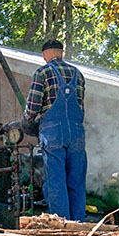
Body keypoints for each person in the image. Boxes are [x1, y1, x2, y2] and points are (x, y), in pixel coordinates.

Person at [22, 39, 87, 222]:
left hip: (53, 133)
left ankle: (62, 225)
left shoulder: (43, 73)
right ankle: (79, 224)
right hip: (76, 132)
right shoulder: (78, 74)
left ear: (44, 55)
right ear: (61, 53)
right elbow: (81, 107)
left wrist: (26, 121)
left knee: (56, 181)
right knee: (76, 181)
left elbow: (33, 107)